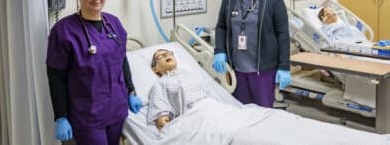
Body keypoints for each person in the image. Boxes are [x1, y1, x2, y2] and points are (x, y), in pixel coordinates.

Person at [146, 49, 389, 145]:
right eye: (161, 56)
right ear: (155, 69)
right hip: (200, 118)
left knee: (287, 124)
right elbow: (162, 120)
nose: (168, 55)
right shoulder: (159, 86)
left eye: (170, 52)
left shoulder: (194, 75)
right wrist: (175, 128)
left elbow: (216, 98)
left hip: (224, 114)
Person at [46, 0, 142, 145]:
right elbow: (56, 77)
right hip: (87, 115)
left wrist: (131, 92)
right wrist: (61, 116)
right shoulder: (63, 30)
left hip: (116, 110)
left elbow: (122, 61)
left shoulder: (114, 23)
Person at [213, 0, 291, 108]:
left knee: (262, 114)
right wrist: (219, 51)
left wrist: (284, 67)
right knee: (240, 113)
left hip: (263, 71)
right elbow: (221, 27)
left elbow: (282, 33)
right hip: (236, 70)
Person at [147, 49, 210, 130]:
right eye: (161, 56)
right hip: (192, 116)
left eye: (168, 53)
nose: (166, 55)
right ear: (155, 69)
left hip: (210, 108)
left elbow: (207, 91)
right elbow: (159, 105)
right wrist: (164, 121)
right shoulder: (160, 83)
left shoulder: (190, 73)